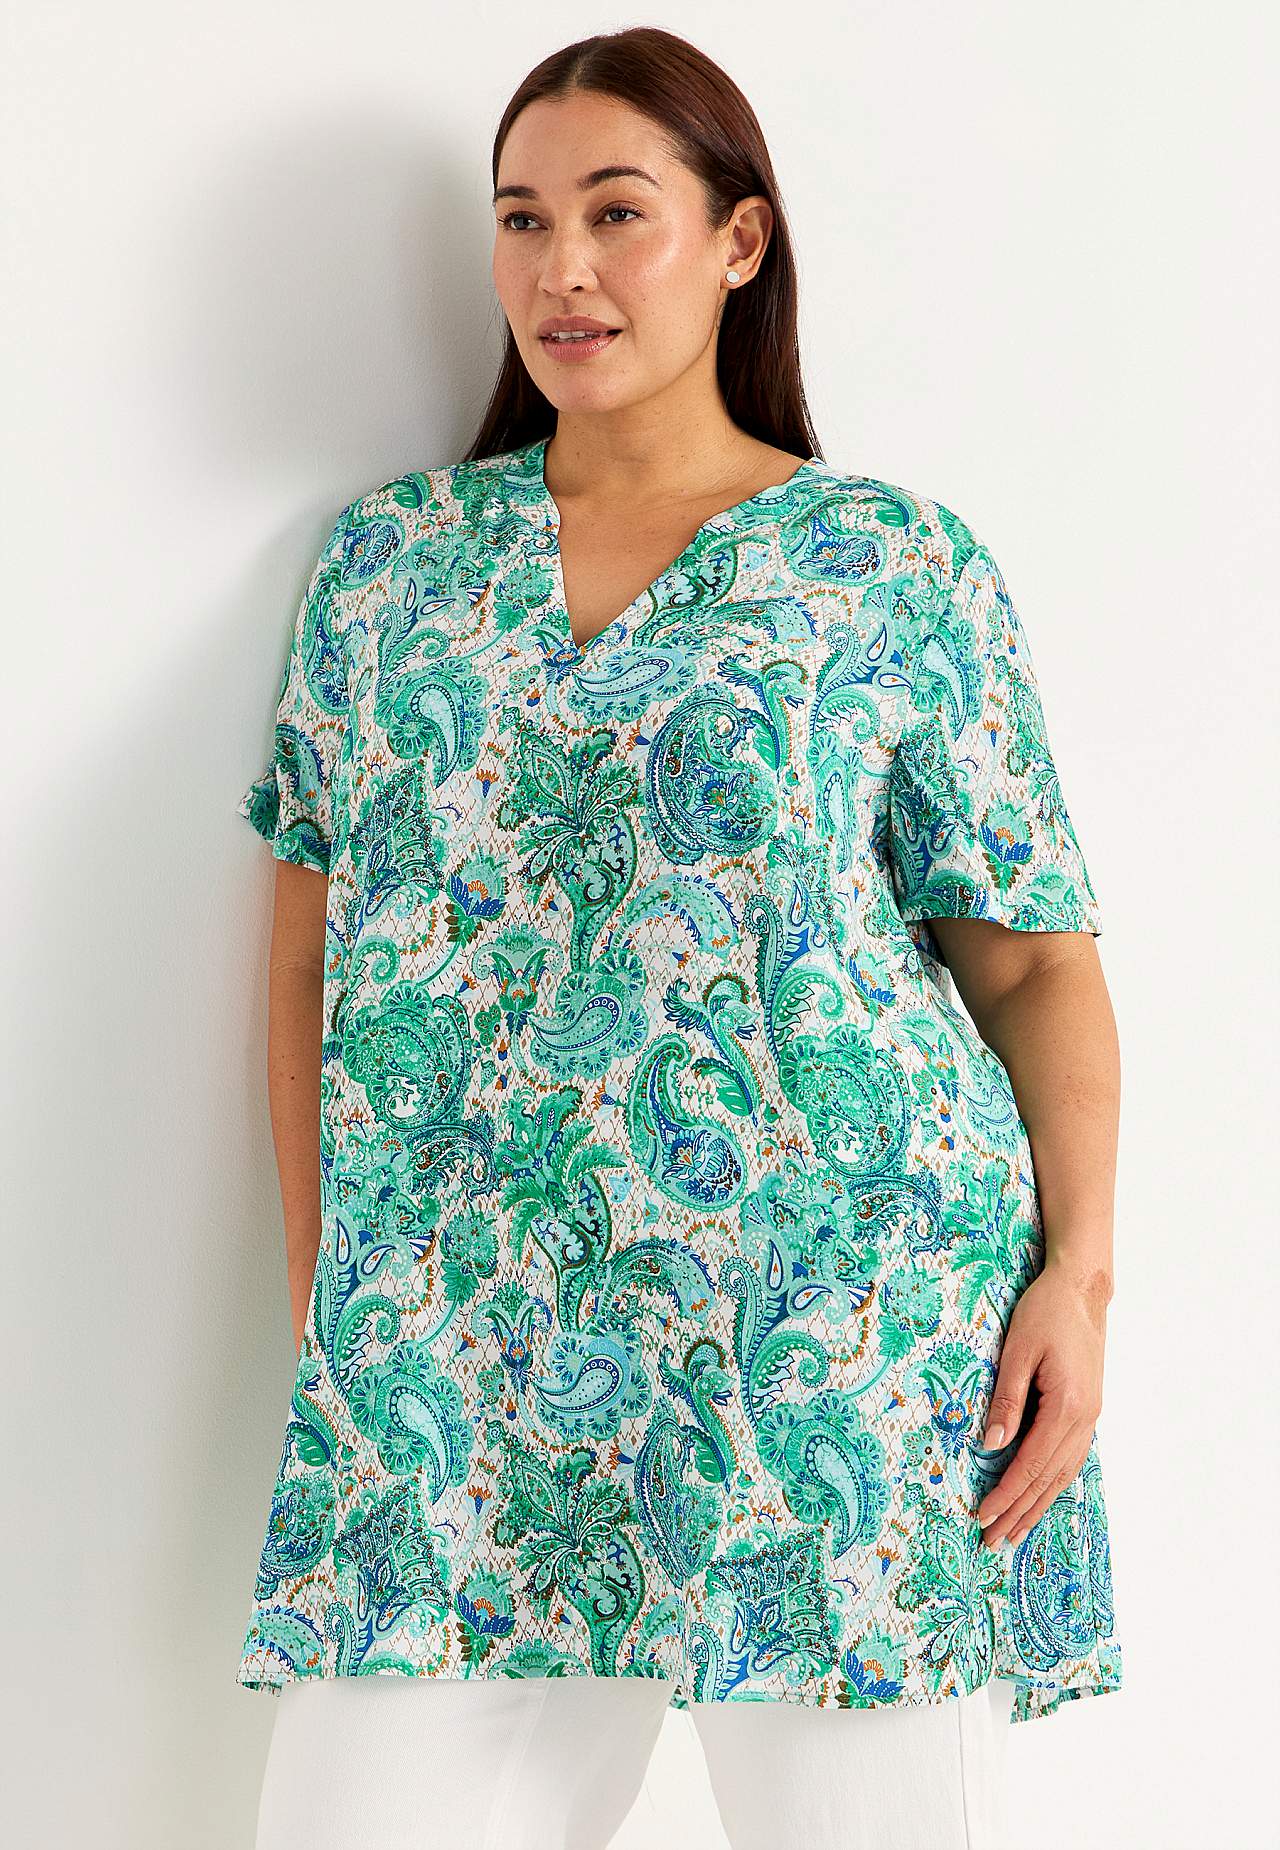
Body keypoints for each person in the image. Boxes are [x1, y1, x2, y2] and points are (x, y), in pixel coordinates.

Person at [236, 26, 1123, 1850]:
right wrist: (339, 1287)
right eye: (521, 219)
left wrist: (1082, 1278)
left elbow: (1032, 957)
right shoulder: (389, 569)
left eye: (615, 212)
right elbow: (310, 951)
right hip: (456, 1366)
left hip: (840, 1338)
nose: (562, 267)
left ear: (738, 240)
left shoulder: (890, 567)